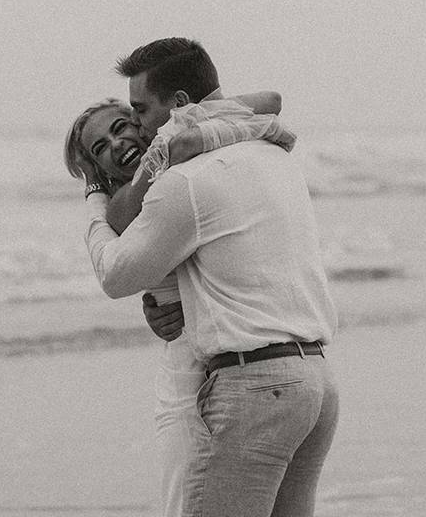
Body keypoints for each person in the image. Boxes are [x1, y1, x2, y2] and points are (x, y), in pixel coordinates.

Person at [80, 38, 339, 517]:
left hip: (256, 390)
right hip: (315, 384)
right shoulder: (272, 154)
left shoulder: (185, 181)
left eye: (139, 110)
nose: (137, 125)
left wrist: (93, 196)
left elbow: (115, 274)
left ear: (179, 107)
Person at [65, 92, 294, 517]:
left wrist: (179, 128)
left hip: (236, 361)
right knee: (184, 502)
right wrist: (97, 189)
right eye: (100, 149)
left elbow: (269, 100)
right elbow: (119, 270)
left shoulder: (178, 158)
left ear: (140, 119)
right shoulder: (127, 204)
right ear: (100, 169)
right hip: (189, 373)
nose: (116, 144)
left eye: (121, 127)